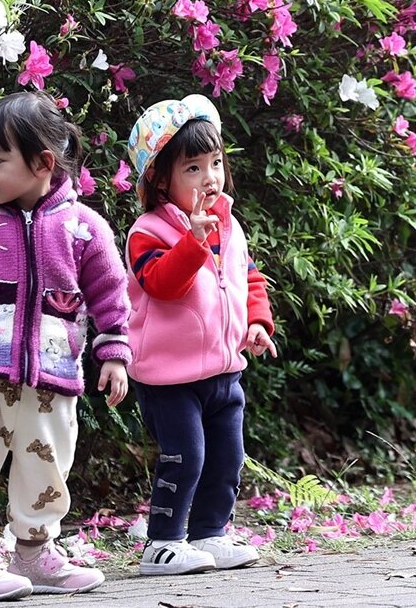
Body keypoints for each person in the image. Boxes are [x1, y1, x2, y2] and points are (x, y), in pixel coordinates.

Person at [0, 91, 132, 601]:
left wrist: (114, 353)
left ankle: (33, 553)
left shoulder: (84, 229)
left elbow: (110, 295)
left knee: (47, 461)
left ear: (42, 164)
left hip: (52, 375)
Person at [123, 95, 277, 576]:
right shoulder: (148, 232)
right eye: (192, 168)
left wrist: (257, 321)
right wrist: (191, 240)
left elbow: (249, 278)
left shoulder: (230, 226)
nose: (209, 177)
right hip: (169, 379)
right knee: (185, 457)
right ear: (161, 180)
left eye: (215, 163)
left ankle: (212, 531)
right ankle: (162, 543)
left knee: (227, 459)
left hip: (225, 370)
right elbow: (164, 286)